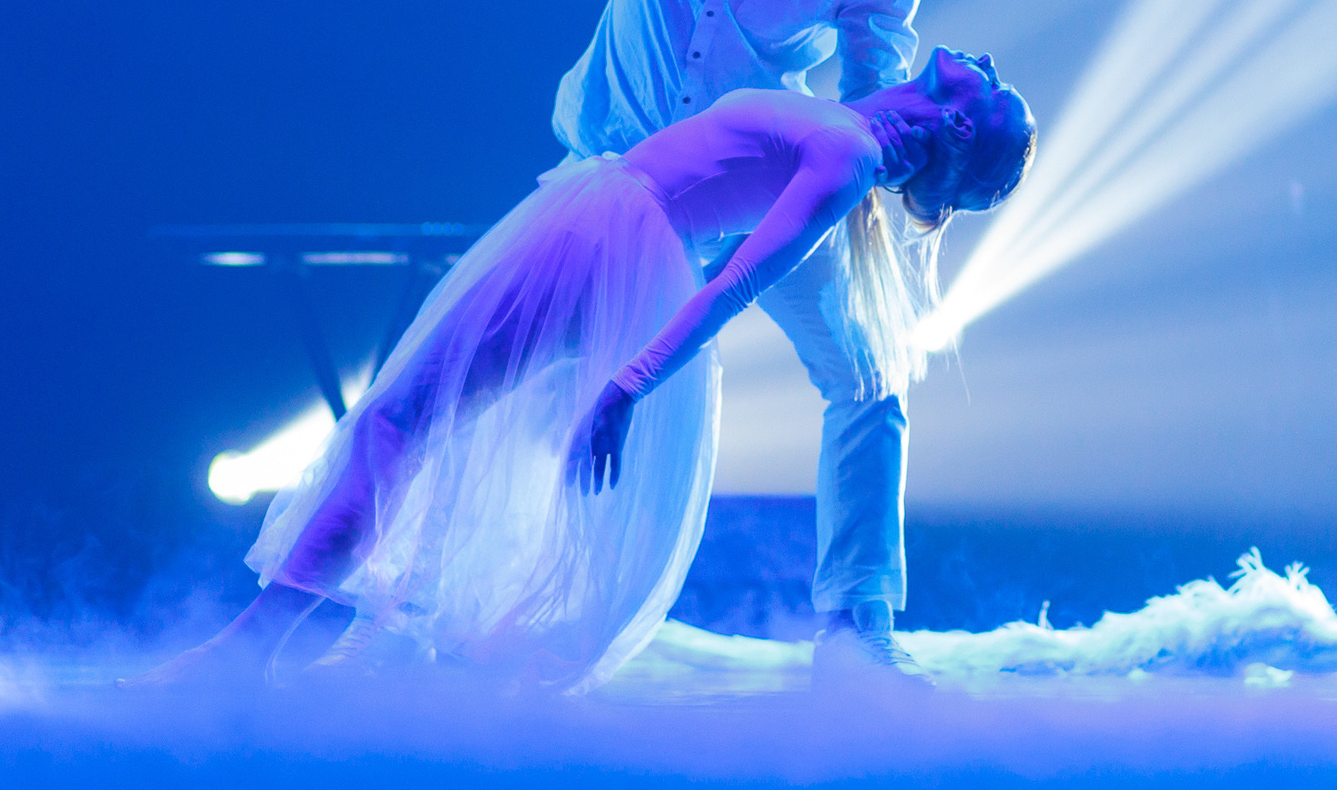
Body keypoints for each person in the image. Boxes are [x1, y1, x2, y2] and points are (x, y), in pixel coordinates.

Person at [275, 0, 976, 677]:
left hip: (754, 186)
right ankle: (396, 605)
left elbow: (869, 101)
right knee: (471, 392)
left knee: (870, 374)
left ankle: (858, 629)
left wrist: (907, 176)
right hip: (614, 193)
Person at [142, 52, 1034, 691]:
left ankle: (251, 646)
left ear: (957, 122)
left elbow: (736, 282)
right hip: (602, 222)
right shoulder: (848, 133)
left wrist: (628, 386)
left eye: (990, 87)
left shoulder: (846, 156)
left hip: (606, 237)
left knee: (399, 424)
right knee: (409, 426)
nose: (983, 60)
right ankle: (273, 639)